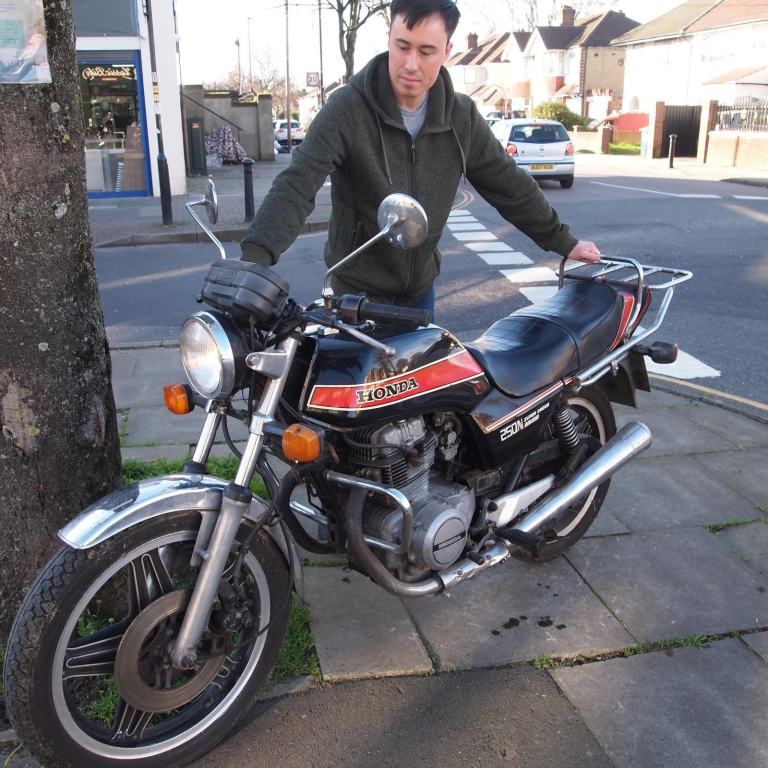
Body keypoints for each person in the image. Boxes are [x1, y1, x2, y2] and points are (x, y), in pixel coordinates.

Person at [240, 0, 600, 315]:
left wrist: (564, 242)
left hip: (419, 295)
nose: (411, 64)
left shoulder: (462, 117)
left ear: (447, 51)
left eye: (426, 51)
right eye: (402, 46)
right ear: (389, 40)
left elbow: (510, 186)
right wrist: (252, 263)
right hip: (353, 296)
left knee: (420, 393)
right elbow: (298, 182)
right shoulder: (348, 109)